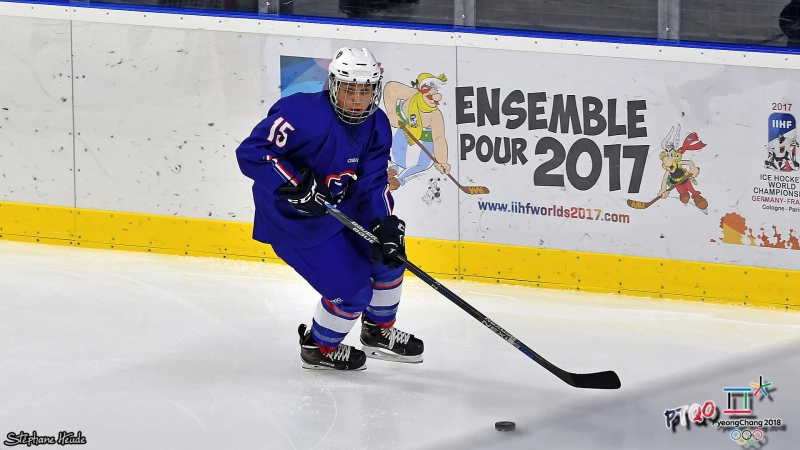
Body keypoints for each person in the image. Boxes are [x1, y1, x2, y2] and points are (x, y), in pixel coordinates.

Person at [236, 47, 423, 371]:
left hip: (342, 207)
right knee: (354, 294)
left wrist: (383, 225)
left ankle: (378, 331)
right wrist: (294, 185)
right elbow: (252, 153)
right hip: (294, 223)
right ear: (334, 86)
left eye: (364, 91)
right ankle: (319, 346)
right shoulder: (299, 114)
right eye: (349, 89)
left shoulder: (377, 124)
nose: (356, 99)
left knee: (390, 259)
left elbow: (372, 183)